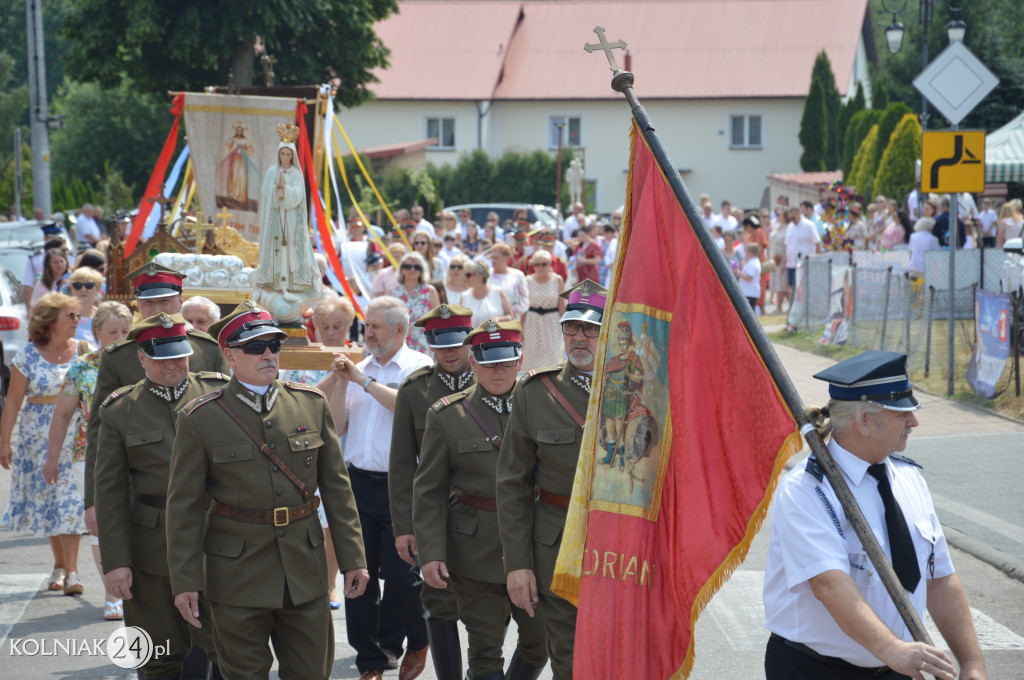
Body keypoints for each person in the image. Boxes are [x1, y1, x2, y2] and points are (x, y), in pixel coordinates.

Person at [166, 301, 369, 680]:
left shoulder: (310, 404)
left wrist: (353, 557)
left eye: (273, 345)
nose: (268, 354)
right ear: (229, 355)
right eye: (255, 347)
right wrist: (186, 582)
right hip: (236, 574)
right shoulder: (200, 417)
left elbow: (338, 491)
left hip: (304, 572)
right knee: (243, 674)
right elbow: (185, 508)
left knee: (311, 673)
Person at [763, 351, 989, 680]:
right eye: (901, 413)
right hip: (817, 669)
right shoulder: (808, 490)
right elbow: (829, 585)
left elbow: (938, 579)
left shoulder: (909, 479)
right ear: (865, 421)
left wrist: (972, 663)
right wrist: (891, 648)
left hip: (898, 666)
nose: (914, 421)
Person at [95, 314, 229, 679]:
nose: (173, 364)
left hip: (215, 541)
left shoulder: (220, 395)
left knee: (226, 649)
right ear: (141, 358)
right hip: (152, 547)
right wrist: (116, 561)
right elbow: (110, 491)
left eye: (180, 355)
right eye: (161, 357)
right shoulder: (120, 410)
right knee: (157, 654)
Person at [415, 320, 548, 680]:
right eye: (489, 363)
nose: (498, 371)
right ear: (473, 363)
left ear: (520, 361)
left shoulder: (544, 406)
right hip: (474, 550)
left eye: (506, 362)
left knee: (540, 641)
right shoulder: (447, 415)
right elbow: (429, 490)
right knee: (485, 650)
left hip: (535, 544)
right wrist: (430, 552)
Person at [496, 279, 607, 680]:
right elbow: (512, 484)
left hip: (621, 546)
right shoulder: (535, 391)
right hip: (556, 545)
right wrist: (518, 565)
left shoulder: (638, 388)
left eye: (591, 329)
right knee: (570, 660)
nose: (580, 337)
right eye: (571, 327)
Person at [82, 263, 229, 540]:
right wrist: (93, 500)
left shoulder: (207, 348)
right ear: (137, 304)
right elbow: (99, 431)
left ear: (180, 300)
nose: (157, 309)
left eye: (164, 301)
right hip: (139, 489)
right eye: (148, 303)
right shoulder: (119, 356)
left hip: (205, 490)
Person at [328, 296, 433, 680]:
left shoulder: (419, 367)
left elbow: (406, 408)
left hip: (400, 488)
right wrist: (342, 382)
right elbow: (338, 426)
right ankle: (370, 661)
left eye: (374, 326)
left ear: (400, 331)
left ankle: (416, 640)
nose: (366, 332)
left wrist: (362, 381)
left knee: (403, 576)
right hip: (357, 483)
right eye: (366, 325)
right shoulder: (359, 368)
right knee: (358, 575)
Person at [389, 304, 477, 680]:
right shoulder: (414, 389)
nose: (451, 352)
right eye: (442, 346)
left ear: (470, 341)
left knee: (490, 603)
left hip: (485, 511)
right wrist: (404, 526)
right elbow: (402, 464)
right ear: (430, 344)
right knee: (439, 600)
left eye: (457, 343)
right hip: (434, 515)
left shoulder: (494, 377)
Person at [46, 300, 132, 620]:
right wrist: (52, 458)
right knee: (101, 525)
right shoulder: (82, 366)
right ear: (97, 333)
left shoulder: (140, 361)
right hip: (90, 456)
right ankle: (113, 595)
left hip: (139, 455)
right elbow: (63, 414)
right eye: (112, 332)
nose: (119, 337)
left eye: (125, 331)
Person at [0, 294, 88, 596]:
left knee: (70, 501)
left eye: (77, 315)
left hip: (76, 435)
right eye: (70, 315)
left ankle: (73, 572)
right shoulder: (27, 355)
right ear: (49, 321)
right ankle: (61, 566)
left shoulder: (84, 352)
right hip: (36, 438)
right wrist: (4, 442)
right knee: (50, 501)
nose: (77, 321)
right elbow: (12, 402)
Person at [280, 295, 357, 608]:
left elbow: (343, 422)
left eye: (338, 325)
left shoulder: (357, 359)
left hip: (341, 451)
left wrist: (343, 376)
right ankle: (304, 582)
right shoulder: (303, 359)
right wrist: (334, 376)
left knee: (332, 525)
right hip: (303, 450)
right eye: (324, 325)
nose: (331, 331)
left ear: (349, 325)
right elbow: (301, 399)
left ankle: (329, 584)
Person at [251, 128, 323, 305]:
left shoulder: (296, 173)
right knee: (276, 250)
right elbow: (266, 194)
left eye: (288, 154)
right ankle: (272, 284)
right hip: (275, 219)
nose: (284, 157)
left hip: (290, 219)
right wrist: (276, 190)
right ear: (278, 154)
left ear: (292, 156)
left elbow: (299, 195)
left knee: (289, 249)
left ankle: (289, 285)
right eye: (282, 154)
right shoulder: (271, 172)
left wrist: (286, 190)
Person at [521, 250, 565, 372]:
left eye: (544, 264)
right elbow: (524, 308)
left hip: (552, 322)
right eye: (537, 264)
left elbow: (562, 306)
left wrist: (567, 327)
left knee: (553, 357)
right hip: (532, 322)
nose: (540, 267)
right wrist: (520, 329)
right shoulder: (527, 280)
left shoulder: (557, 280)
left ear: (550, 264)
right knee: (530, 357)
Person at [390, 252, 441, 355]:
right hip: (399, 345)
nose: (412, 269)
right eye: (408, 266)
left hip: (425, 345)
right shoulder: (392, 292)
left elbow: (437, 321)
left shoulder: (430, 291)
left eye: (416, 267)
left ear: (422, 270)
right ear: (401, 270)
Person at [456, 259, 514, 327]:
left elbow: (511, 316)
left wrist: (499, 320)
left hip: (496, 335)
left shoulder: (497, 291)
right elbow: (459, 321)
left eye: (468, 275)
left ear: (480, 277)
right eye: (465, 274)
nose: (465, 278)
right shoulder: (465, 296)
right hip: (473, 337)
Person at [489, 243, 530, 319]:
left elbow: (524, 301)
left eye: (496, 258)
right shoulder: (487, 275)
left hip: (510, 322)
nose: (493, 261)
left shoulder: (518, 275)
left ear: (506, 258)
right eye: (492, 257)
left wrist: (508, 313)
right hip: (488, 321)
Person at [67, 266, 104, 345]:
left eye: (89, 285)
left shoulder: (103, 317)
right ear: (72, 288)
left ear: (97, 289)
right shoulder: (63, 316)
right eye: (78, 285)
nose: (83, 289)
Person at [737, 242, 762, 312]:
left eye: (747, 252)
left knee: (749, 311)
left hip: (750, 292)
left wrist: (738, 273)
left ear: (751, 253)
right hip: (748, 291)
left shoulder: (753, 264)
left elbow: (749, 278)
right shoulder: (752, 262)